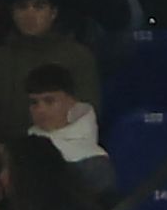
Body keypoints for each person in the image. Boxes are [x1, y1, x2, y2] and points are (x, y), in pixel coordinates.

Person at [0, 0, 101, 147]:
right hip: (2, 153)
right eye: (22, 7)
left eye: (39, 6)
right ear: (13, 13)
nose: (30, 14)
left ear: (53, 13)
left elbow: (86, 114)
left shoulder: (78, 57)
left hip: (65, 152)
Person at [24, 62, 116, 194]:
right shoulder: (21, 152)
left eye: (49, 101)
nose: (40, 109)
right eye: (34, 103)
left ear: (71, 101)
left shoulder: (95, 164)